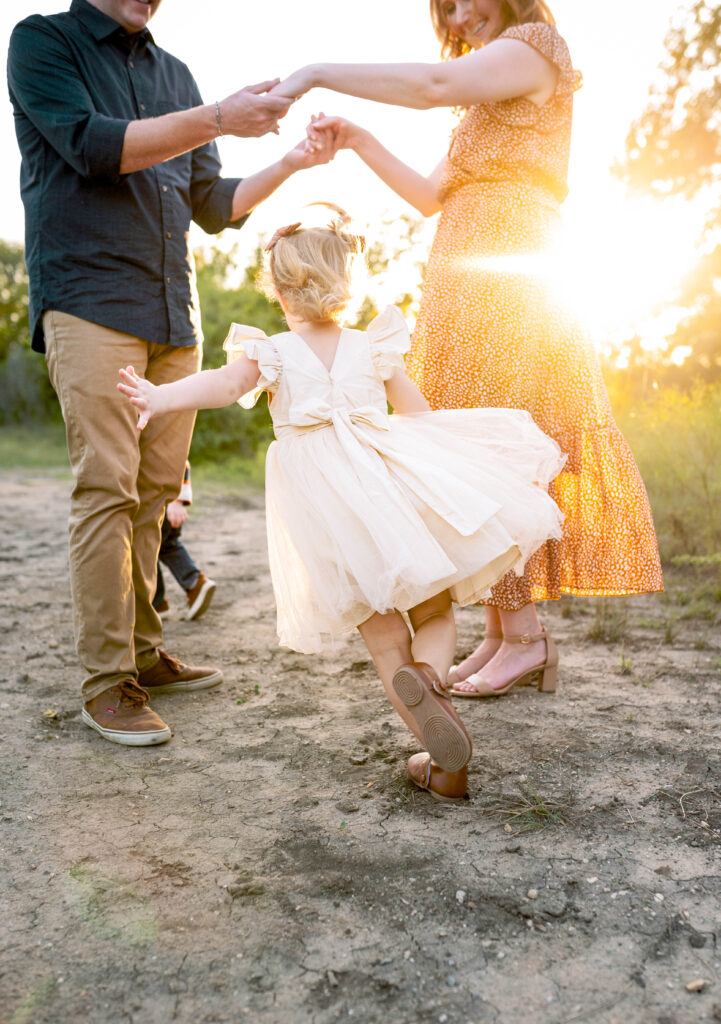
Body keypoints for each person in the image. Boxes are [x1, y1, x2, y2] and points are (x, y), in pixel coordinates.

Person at [273, 0, 664, 698]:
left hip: (512, 265)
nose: (455, 16)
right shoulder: (481, 108)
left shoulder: (534, 45)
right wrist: (359, 138)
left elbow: (432, 86)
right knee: (465, 446)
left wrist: (317, 73)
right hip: (462, 267)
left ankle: (524, 639)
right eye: (443, 8)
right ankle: (501, 632)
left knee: (492, 442)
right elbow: (428, 195)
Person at [118, 214, 565, 799]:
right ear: (344, 281)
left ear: (277, 290)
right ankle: (429, 683)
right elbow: (421, 420)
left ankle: (441, 758)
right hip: (394, 491)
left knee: (383, 641)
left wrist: (159, 395)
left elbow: (223, 388)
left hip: (333, 512)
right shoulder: (374, 345)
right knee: (433, 614)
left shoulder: (270, 351)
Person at [7, 0, 334, 746]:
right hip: (89, 300)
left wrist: (290, 161)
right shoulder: (41, 42)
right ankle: (105, 680)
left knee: (157, 493)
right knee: (108, 489)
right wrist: (219, 115)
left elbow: (211, 206)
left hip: (172, 316)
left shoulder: (177, 74)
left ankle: (145, 655)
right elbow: (94, 148)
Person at [153, 462, 216, 621]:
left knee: (145, 550)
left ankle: (156, 602)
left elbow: (180, 458)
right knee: (167, 546)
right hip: (161, 501)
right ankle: (194, 584)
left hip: (162, 502)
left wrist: (176, 500)